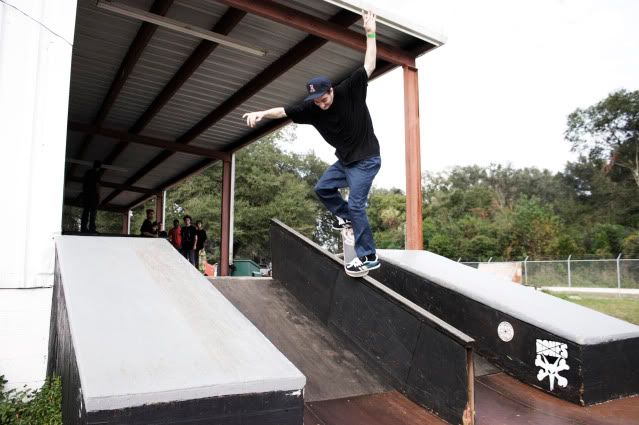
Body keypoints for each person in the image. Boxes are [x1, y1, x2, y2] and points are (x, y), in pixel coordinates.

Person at [242, 10, 381, 277]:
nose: (321, 104)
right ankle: (346, 218)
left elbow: (370, 64)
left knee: (356, 204)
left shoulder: (350, 89)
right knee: (323, 188)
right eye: (317, 101)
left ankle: (369, 257)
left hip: (366, 159)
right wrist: (261, 113)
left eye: (324, 99)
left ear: (331, 90)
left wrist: (370, 33)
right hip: (345, 162)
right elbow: (283, 111)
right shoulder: (312, 109)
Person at [81, 160, 101, 233]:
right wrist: (98, 195)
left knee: (86, 211)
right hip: (93, 196)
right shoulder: (97, 174)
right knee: (93, 212)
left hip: (86, 195)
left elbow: (84, 184)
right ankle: (91, 229)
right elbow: (97, 185)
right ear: (98, 167)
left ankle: (83, 228)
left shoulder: (87, 172)